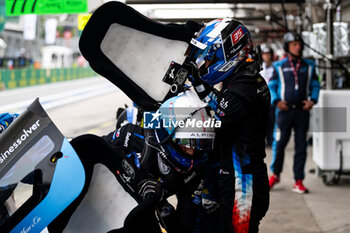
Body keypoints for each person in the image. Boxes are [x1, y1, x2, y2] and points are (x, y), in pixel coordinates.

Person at [48, 90, 216, 233]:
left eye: (199, 143)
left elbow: (183, 227)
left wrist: (163, 207)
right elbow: (91, 152)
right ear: (168, 134)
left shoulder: (195, 171)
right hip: (94, 199)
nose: (192, 151)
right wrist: (136, 177)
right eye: (187, 142)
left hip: (133, 216)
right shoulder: (132, 136)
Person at [186, 18, 271, 233]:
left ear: (229, 52)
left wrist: (174, 120)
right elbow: (223, 109)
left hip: (243, 186)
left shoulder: (241, 90)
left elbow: (213, 129)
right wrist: (198, 83)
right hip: (245, 177)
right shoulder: (246, 78)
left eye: (210, 58)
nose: (206, 64)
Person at [268, 32, 320, 193]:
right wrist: (276, 101)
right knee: (279, 144)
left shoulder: (309, 65)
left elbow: (315, 85)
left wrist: (312, 100)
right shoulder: (279, 66)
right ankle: (275, 174)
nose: (298, 47)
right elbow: (272, 86)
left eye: (299, 44)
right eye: (294, 45)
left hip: (301, 113)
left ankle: (298, 180)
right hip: (284, 112)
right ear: (287, 47)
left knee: (301, 147)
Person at [260, 44, 275, 147]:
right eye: (265, 54)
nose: (267, 56)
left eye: (268, 54)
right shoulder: (260, 68)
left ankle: (270, 140)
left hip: (272, 99)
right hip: (261, 99)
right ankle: (262, 140)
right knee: (262, 121)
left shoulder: (275, 68)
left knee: (271, 121)